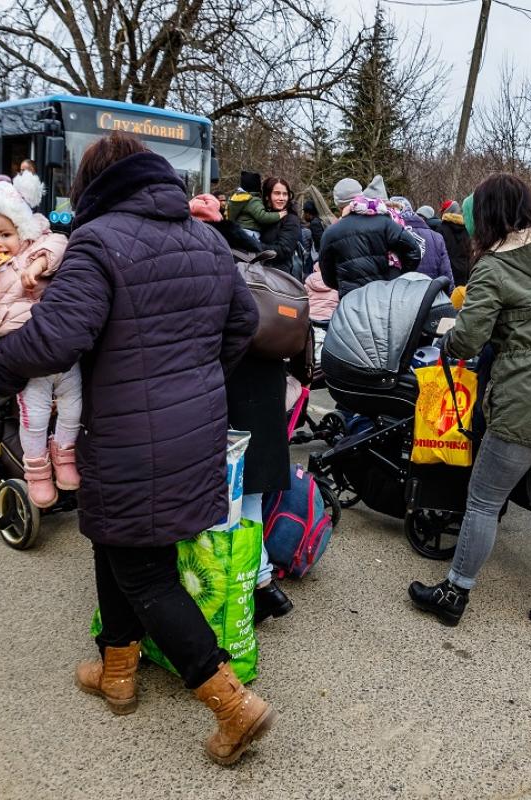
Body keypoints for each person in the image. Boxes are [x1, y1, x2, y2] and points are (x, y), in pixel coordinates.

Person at [0, 133, 273, 766]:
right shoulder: (206, 238)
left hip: (126, 433)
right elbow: (242, 326)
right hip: (191, 428)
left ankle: (231, 703)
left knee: (144, 571)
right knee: (115, 540)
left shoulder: (97, 241)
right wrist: (195, 376)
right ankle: (117, 668)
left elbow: (56, 339)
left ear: (93, 187)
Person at [409, 174, 531, 638]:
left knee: (483, 500)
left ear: (488, 218)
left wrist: (448, 339)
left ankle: (454, 594)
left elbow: (470, 337)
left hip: (526, 400)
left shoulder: (493, 268)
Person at [189, 192, 295, 625]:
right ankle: (264, 583)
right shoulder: (258, 259)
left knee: (222, 494)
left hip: (227, 386)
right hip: (265, 388)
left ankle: (237, 587)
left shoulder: (203, 263)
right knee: (249, 492)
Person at [0, 173, 74, 509]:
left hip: (54, 342)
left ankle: (64, 456)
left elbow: (59, 243)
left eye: (5, 234)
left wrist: (37, 264)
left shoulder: (36, 248)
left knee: (74, 407)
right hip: (20, 351)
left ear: (22, 231)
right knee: (34, 416)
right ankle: (36, 472)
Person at [318, 177, 423, 297]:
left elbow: (327, 276)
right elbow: (414, 252)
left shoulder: (330, 233)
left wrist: (344, 284)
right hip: (385, 295)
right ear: (361, 196)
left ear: (338, 204)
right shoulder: (385, 222)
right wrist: (397, 276)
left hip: (351, 300)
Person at [391, 196, 453, 283]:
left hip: (399, 293)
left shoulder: (391, 235)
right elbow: (446, 274)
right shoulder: (437, 237)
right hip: (431, 293)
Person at [226, 170, 284, 246]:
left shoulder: (237, 198)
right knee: (255, 253)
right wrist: (279, 215)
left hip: (240, 231)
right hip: (251, 233)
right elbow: (263, 216)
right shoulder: (253, 200)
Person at [258, 176, 302, 275]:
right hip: (258, 274)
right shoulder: (260, 217)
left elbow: (284, 250)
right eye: (277, 193)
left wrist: (254, 246)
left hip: (279, 278)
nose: (282, 198)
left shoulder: (290, 219)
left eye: (285, 194)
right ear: (267, 196)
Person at [437, 200, 472, 285]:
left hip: (448, 273)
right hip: (464, 273)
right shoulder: (466, 229)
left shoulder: (441, 229)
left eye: (443, 211)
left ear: (447, 211)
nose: (441, 213)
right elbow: (469, 253)